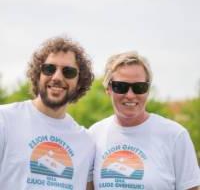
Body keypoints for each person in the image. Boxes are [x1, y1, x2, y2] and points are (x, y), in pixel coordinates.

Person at [89, 51, 200, 190]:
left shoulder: (175, 136)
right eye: (121, 86)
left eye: (139, 87)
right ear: (108, 89)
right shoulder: (94, 135)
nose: (130, 95)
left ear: (148, 90)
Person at [0, 36, 95, 190]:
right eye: (49, 69)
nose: (57, 77)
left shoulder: (86, 142)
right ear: (38, 74)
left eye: (68, 72)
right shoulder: (4, 120)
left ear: (79, 82)